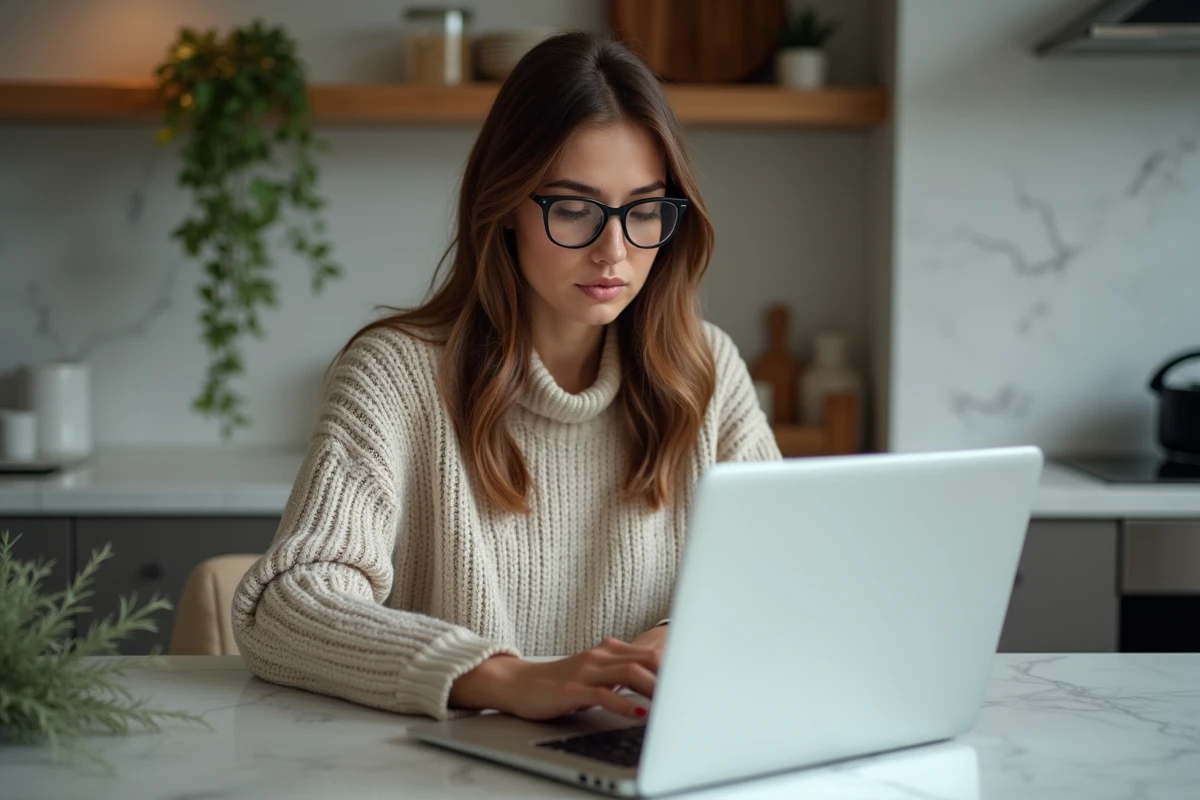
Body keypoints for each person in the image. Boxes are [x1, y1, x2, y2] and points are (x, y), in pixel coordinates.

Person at [230, 31, 781, 723]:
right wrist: (504, 677)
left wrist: (674, 644)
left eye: (644, 210)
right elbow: (283, 604)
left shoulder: (705, 368)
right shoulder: (397, 375)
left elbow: (782, 574)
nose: (614, 251)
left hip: (637, 754)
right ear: (508, 207)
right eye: (575, 208)